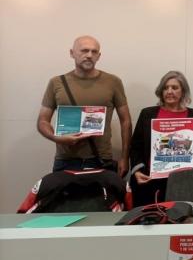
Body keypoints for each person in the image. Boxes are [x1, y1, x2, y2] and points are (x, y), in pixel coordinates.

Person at [37, 35, 132, 176]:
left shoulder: (113, 82)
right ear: (72, 53)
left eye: (94, 52)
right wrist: (56, 138)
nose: (89, 55)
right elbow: (42, 121)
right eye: (84, 50)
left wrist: (125, 157)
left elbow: (126, 121)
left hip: (101, 159)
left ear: (99, 56)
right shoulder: (56, 83)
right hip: (65, 160)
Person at [129, 71, 193, 207]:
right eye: (166, 88)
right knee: (149, 216)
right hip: (150, 179)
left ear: (183, 91)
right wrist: (137, 171)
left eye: (175, 88)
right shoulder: (147, 114)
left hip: (183, 181)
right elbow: (136, 146)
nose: (169, 91)